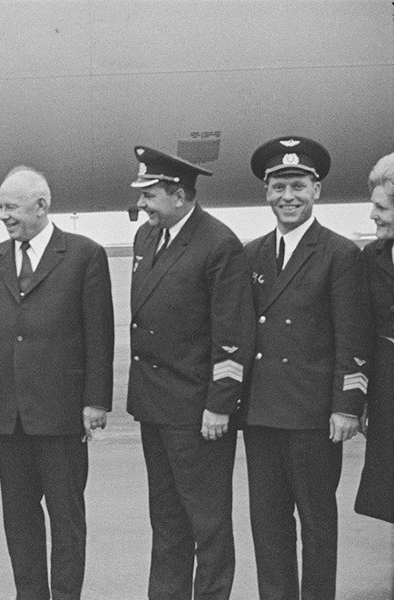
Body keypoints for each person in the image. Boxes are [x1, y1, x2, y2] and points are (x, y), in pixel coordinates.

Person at [0, 166, 114, 600]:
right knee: (19, 520)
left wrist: (96, 401)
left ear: (41, 206)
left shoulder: (85, 254)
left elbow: (99, 335)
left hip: (63, 414)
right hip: (7, 416)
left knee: (67, 519)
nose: (2, 216)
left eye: (10, 207)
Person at [244, 136, 373, 600]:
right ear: (266, 192)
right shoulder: (252, 253)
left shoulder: (340, 254)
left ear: (316, 190)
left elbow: (353, 339)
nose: (288, 197)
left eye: (298, 185)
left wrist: (347, 406)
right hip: (261, 415)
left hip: (314, 418)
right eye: (278, 187)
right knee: (268, 525)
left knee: (318, 523)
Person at [126, 147, 254, 600]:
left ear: (178, 195)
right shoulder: (147, 239)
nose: (141, 203)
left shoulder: (217, 243)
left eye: (150, 195)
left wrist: (220, 405)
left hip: (197, 411)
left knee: (208, 522)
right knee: (165, 518)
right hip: (155, 406)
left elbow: (232, 335)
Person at [354, 152, 394, 523]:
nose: (373, 215)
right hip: (388, 392)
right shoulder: (373, 257)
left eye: (381, 208)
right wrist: (362, 400)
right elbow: (362, 331)